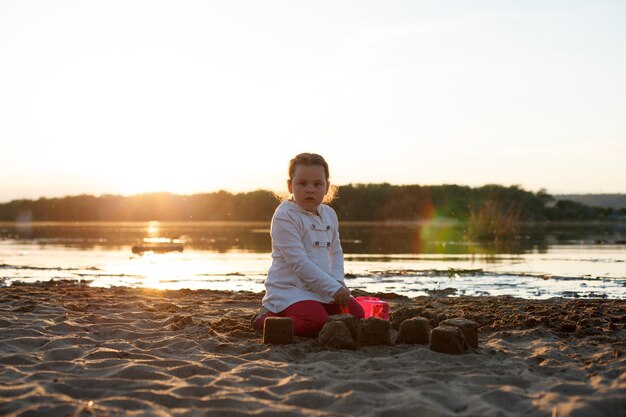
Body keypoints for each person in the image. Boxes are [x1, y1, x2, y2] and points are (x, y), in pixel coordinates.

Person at [251, 152, 364, 337]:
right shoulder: (285, 217)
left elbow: (335, 252)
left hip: (324, 285)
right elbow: (299, 263)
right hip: (291, 289)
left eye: (317, 184)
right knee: (316, 322)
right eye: (302, 184)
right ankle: (265, 318)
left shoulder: (329, 214)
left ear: (327, 187)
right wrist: (333, 289)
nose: (310, 189)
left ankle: (316, 307)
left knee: (357, 315)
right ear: (290, 185)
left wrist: (337, 282)